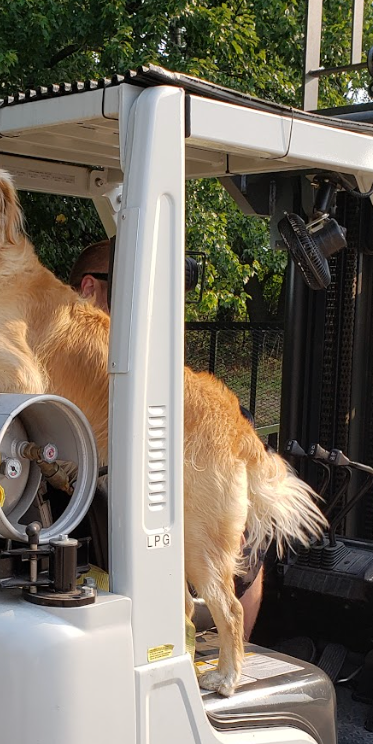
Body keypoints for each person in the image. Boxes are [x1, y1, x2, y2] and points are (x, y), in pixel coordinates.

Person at [68, 240, 264, 639]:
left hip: (110, 511)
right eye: (135, 288)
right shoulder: (97, 360)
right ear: (90, 289)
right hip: (117, 520)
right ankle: (234, 647)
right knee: (255, 538)